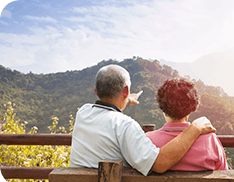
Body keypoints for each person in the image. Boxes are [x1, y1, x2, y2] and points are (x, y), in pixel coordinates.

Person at [70, 64, 216, 176]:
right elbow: (159, 164)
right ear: (126, 91)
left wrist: (125, 99)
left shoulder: (83, 112)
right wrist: (195, 128)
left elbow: (107, 109)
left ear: (96, 92)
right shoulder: (126, 125)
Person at [145, 77, 228, 171]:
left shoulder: (147, 141)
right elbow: (224, 175)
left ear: (161, 108)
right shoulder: (210, 140)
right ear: (193, 106)